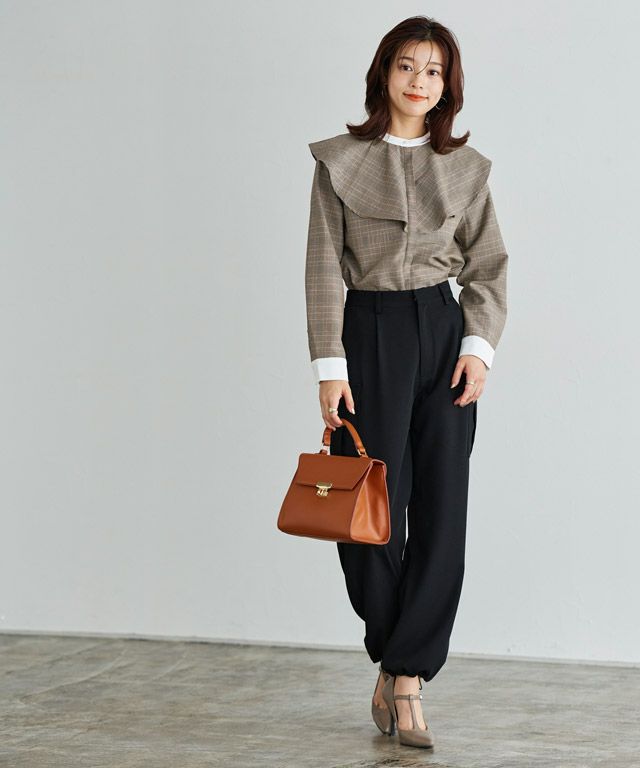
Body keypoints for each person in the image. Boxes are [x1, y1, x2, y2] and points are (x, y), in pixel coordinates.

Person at [304, 16, 508, 749]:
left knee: (443, 508)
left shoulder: (467, 168)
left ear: (448, 84)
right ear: (383, 73)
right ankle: (396, 653)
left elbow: (488, 265)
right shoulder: (338, 162)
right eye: (406, 66)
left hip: (445, 335)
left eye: (434, 70)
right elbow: (322, 266)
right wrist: (330, 366)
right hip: (369, 335)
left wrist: (478, 347)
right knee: (363, 507)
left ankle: (408, 677)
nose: (420, 81)